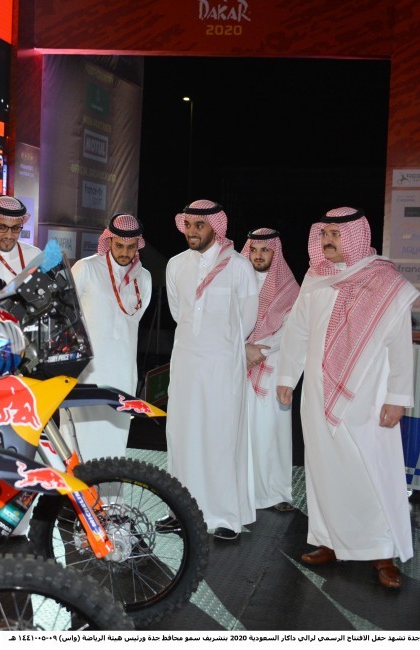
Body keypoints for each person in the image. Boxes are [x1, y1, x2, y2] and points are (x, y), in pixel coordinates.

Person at [276, 207, 418, 589]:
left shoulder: (383, 281)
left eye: (336, 235)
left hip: (368, 396)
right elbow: (298, 330)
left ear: (355, 236)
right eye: (324, 234)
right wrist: (287, 376)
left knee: (372, 472)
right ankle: (330, 540)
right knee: (323, 470)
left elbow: (400, 345)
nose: (327, 240)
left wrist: (397, 397)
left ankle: (382, 552)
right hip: (316, 393)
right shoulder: (315, 277)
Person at [163, 199, 258, 541]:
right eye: (188, 225)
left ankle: (226, 517)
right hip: (186, 363)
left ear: (215, 228)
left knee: (220, 437)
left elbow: (247, 319)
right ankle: (180, 511)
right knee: (182, 436)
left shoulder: (239, 267)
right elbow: (179, 313)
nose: (192, 231)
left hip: (222, 366)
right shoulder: (176, 265)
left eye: (199, 225)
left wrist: (222, 345)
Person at [63, 213, 152, 462]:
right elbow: (67, 314)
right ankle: (75, 487)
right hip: (87, 370)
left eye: (131, 247)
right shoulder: (87, 268)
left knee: (115, 433)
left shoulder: (144, 278)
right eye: (119, 245)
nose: (125, 252)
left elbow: (134, 320)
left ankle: (110, 487)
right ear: (109, 240)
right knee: (80, 434)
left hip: (122, 370)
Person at [241, 228, 300, 512]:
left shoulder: (289, 288)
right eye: (253, 250)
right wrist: (243, 348)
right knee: (241, 431)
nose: (258, 255)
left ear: (275, 253)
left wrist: (259, 350)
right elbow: (226, 319)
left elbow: (293, 328)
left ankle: (275, 494)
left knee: (271, 431)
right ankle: (242, 491)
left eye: (265, 250)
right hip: (238, 362)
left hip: (272, 364)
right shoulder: (237, 280)